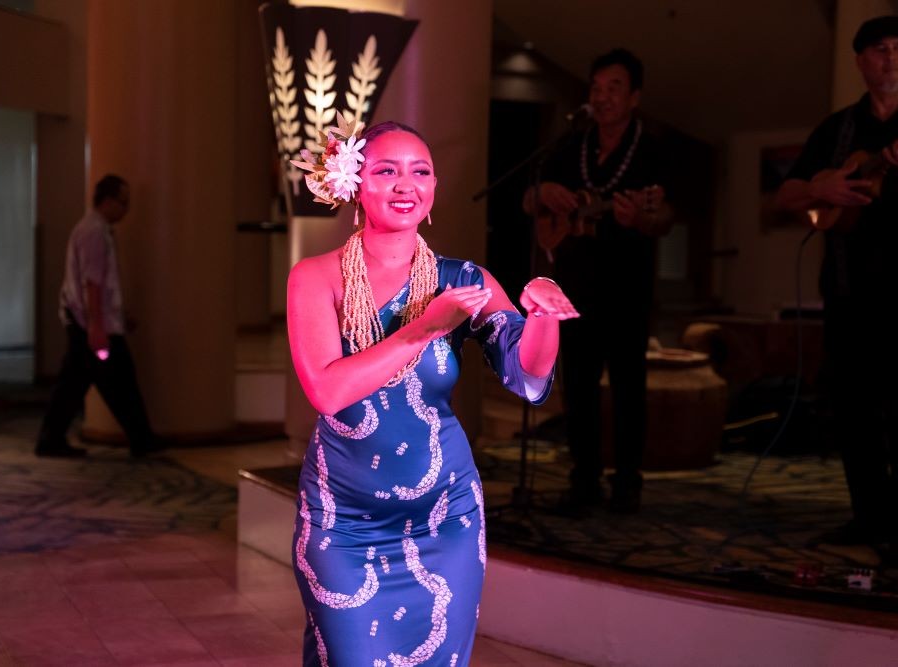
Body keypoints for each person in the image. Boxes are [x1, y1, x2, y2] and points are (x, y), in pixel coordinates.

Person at [286, 118, 578, 665]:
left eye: (420, 171)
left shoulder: (464, 279)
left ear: (434, 189)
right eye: (386, 170)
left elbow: (527, 377)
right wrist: (424, 328)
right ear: (354, 183)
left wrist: (542, 316)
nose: (406, 184)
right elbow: (327, 391)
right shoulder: (315, 277)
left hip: (446, 518)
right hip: (343, 519)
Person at [776, 15, 898, 562]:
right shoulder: (838, 130)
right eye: (879, 50)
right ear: (861, 62)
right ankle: (869, 517)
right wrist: (822, 184)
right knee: (855, 412)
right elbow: (784, 197)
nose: (891, 58)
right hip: (848, 291)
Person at [524, 48, 673, 514]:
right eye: (596, 88)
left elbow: (666, 217)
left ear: (634, 98)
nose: (603, 97)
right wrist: (543, 192)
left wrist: (641, 218)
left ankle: (628, 482)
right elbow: (530, 201)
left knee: (629, 386)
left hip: (627, 287)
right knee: (580, 387)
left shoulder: (652, 149)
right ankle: (583, 479)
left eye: (614, 88)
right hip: (574, 285)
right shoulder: (574, 146)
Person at [36, 174, 158, 458]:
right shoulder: (93, 232)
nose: (127, 209)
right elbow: (92, 282)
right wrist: (97, 325)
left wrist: (115, 316)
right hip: (89, 323)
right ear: (108, 200)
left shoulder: (96, 229)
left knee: (85, 381)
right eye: (123, 202)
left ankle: (53, 438)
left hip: (91, 321)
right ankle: (141, 438)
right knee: (115, 380)